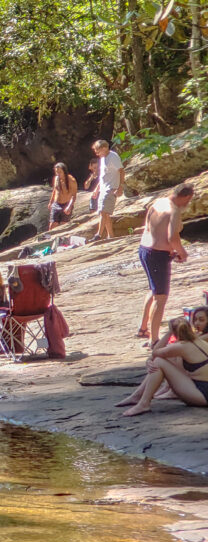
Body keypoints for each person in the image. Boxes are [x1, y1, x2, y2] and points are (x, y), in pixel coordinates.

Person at [135, 183, 194, 344]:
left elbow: (148, 225)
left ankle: (143, 329)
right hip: (157, 255)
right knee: (160, 298)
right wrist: (182, 252)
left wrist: (169, 250)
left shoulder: (158, 202)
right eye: (189, 200)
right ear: (186, 197)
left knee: (153, 290)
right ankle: (154, 340)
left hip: (144, 249)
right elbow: (172, 238)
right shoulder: (173, 211)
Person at [117, 316, 208, 416]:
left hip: (202, 394)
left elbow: (156, 352)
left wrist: (168, 333)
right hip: (201, 388)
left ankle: (143, 403)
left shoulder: (181, 347)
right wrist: (149, 359)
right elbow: (160, 356)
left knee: (159, 362)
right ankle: (137, 396)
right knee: (161, 360)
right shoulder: (200, 342)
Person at [91, 140, 125, 240]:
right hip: (103, 188)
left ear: (105, 148)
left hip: (111, 188)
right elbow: (103, 175)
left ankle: (99, 234)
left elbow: (122, 171)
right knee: (105, 213)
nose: (96, 153)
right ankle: (111, 236)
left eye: (98, 151)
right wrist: (97, 189)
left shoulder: (113, 157)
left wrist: (120, 187)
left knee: (103, 211)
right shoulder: (102, 159)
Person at [47, 162, 77, 231]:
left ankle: (63, 241)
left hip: (66, 204)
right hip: (56, 203)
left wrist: (69, 206)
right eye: (56, 172)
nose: (58, 174)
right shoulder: (56, 178)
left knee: (64, 226)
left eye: (60, 172)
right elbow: (55, 190)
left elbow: (74, 195)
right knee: (52, 225)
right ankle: (49, 240)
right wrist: (50, 202)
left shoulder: (71, 180)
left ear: (64, 171)